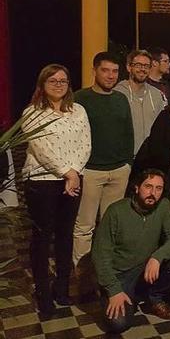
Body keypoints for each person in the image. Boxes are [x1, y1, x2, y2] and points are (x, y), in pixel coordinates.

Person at [21, 64, 90, 315]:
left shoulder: (78, 110)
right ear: (42, 84)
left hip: (72, 180)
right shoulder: (32, 113)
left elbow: (85, 143)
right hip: (41, 181)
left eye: (63, 80)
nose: (59, 84)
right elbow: (41, 149)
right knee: (42, 237)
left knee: (65, 235)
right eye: (53, 80)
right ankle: (43, 292)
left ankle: (62, 289)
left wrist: (74, 172)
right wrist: (67, 172)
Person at [92, 169, 170, 333]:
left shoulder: (163, 206)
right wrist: (113, 290)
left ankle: (154, 298)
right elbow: (100, 256)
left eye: (158, 188)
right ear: (136, 188)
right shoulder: (116, 211)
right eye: (148, 186)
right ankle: (119, 295)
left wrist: (157, 257)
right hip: (121, 274)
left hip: (147, 267)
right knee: (118, 324)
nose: (153, 193)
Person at [73, 52, 134, 265]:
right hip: (90, 171)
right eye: (105, 70)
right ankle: (82, 272)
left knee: (111, 225)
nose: (110, 76)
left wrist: (128, 163)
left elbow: (128, 132)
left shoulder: (120, 98)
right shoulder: (80, 98)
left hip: (118, 170)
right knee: (84, 225)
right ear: (94, 71)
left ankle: (105, 267)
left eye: (115, 71)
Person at [115, 50, 166, 153]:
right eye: (138, 65)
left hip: (151, 154)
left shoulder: (156, 95)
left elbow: (162, 127)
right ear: (129, 67)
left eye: (146, 66)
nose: (142, 69)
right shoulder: (117, 93)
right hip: (126, 156)